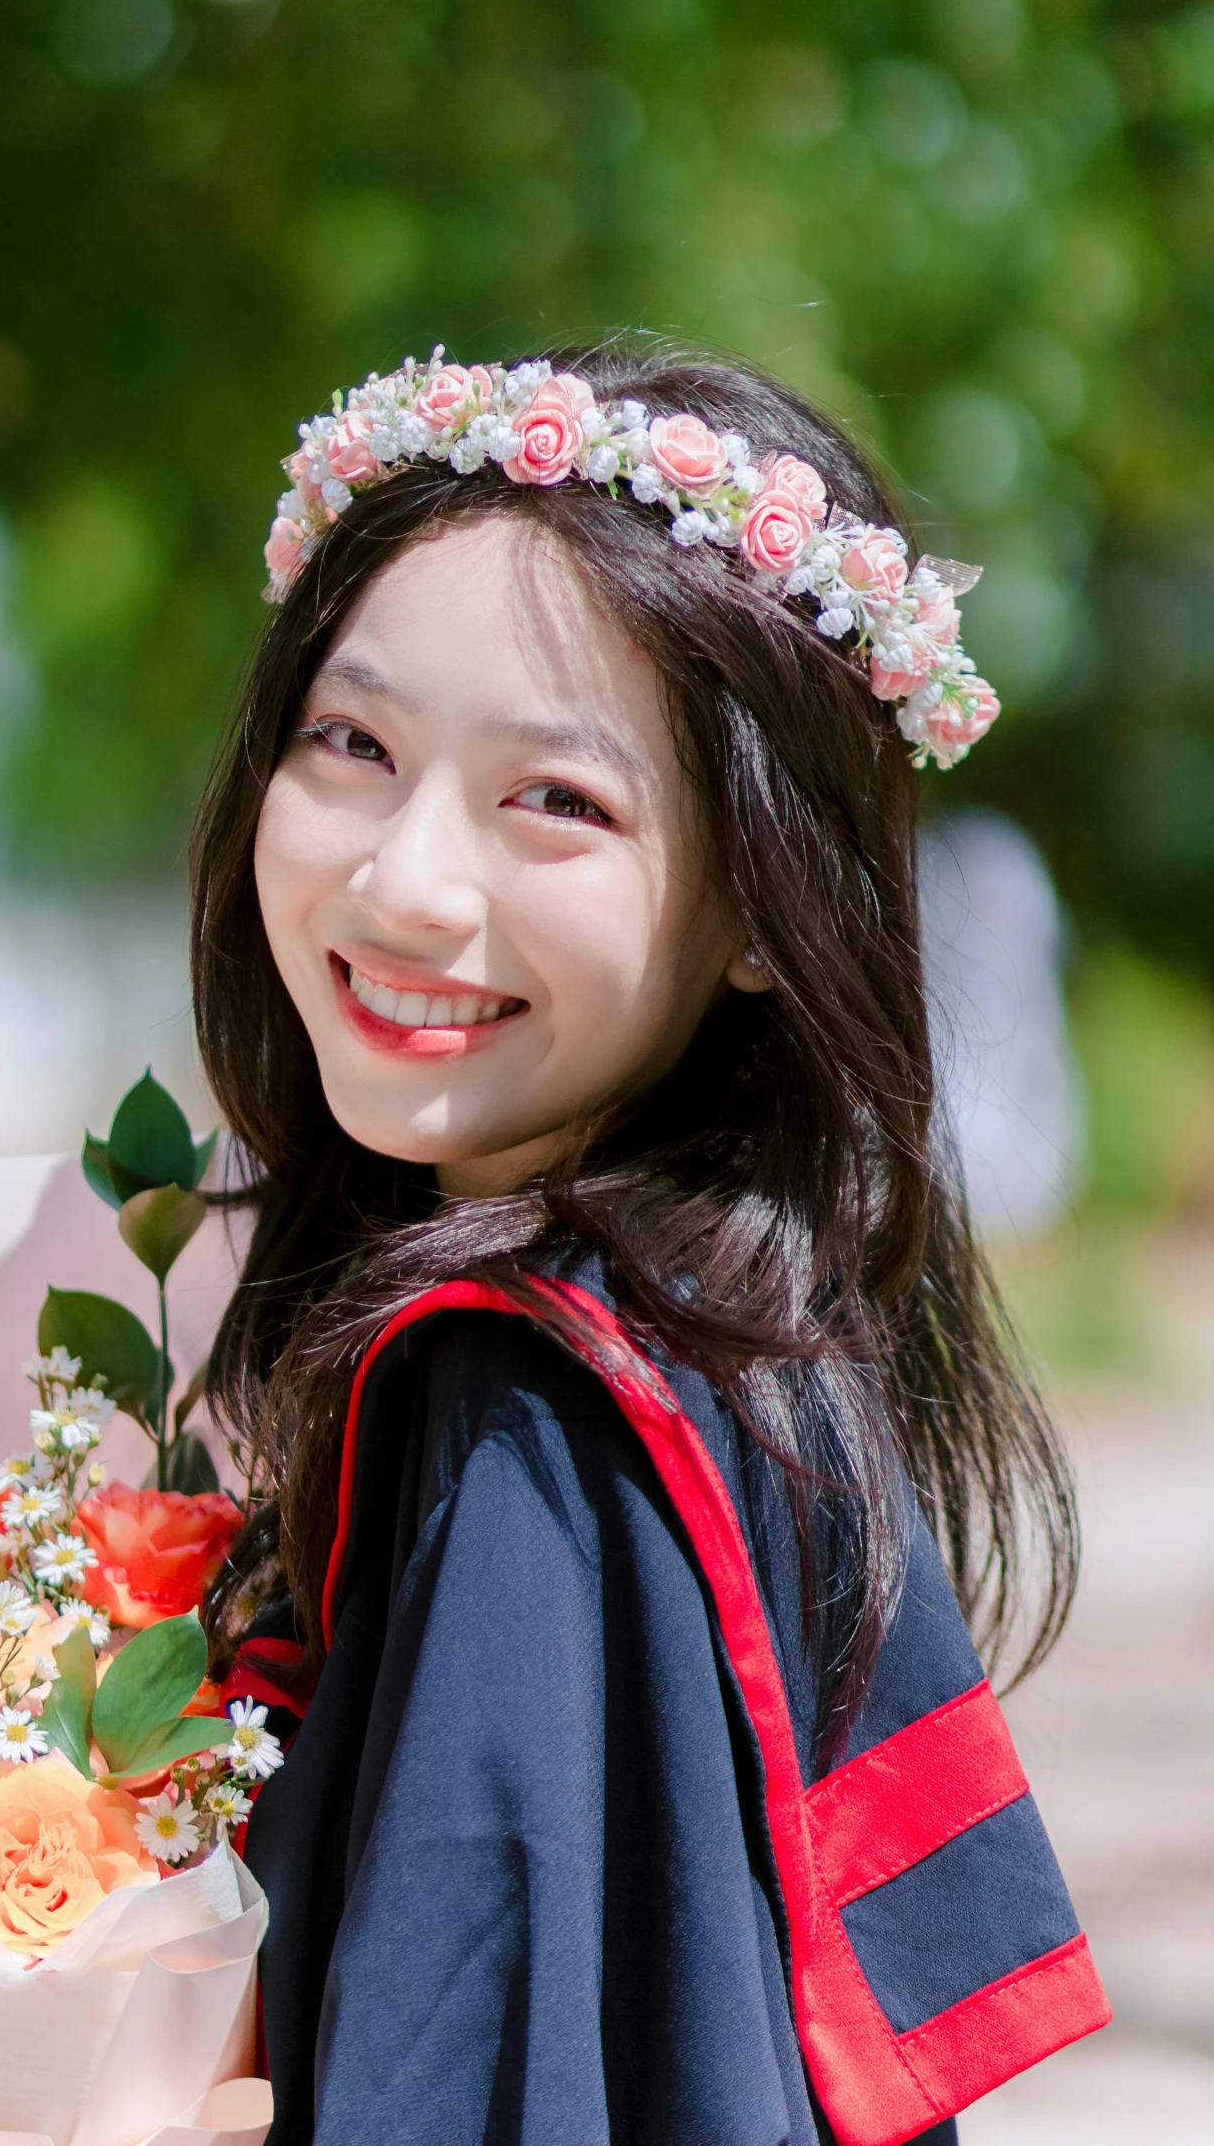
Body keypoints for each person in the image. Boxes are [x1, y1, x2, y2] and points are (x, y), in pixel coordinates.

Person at [188, 344, 1110, 2146]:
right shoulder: (738, 1333)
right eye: (352, 743)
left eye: (559, 801)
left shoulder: (524, 1393)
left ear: (765, 909)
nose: (403, 884)